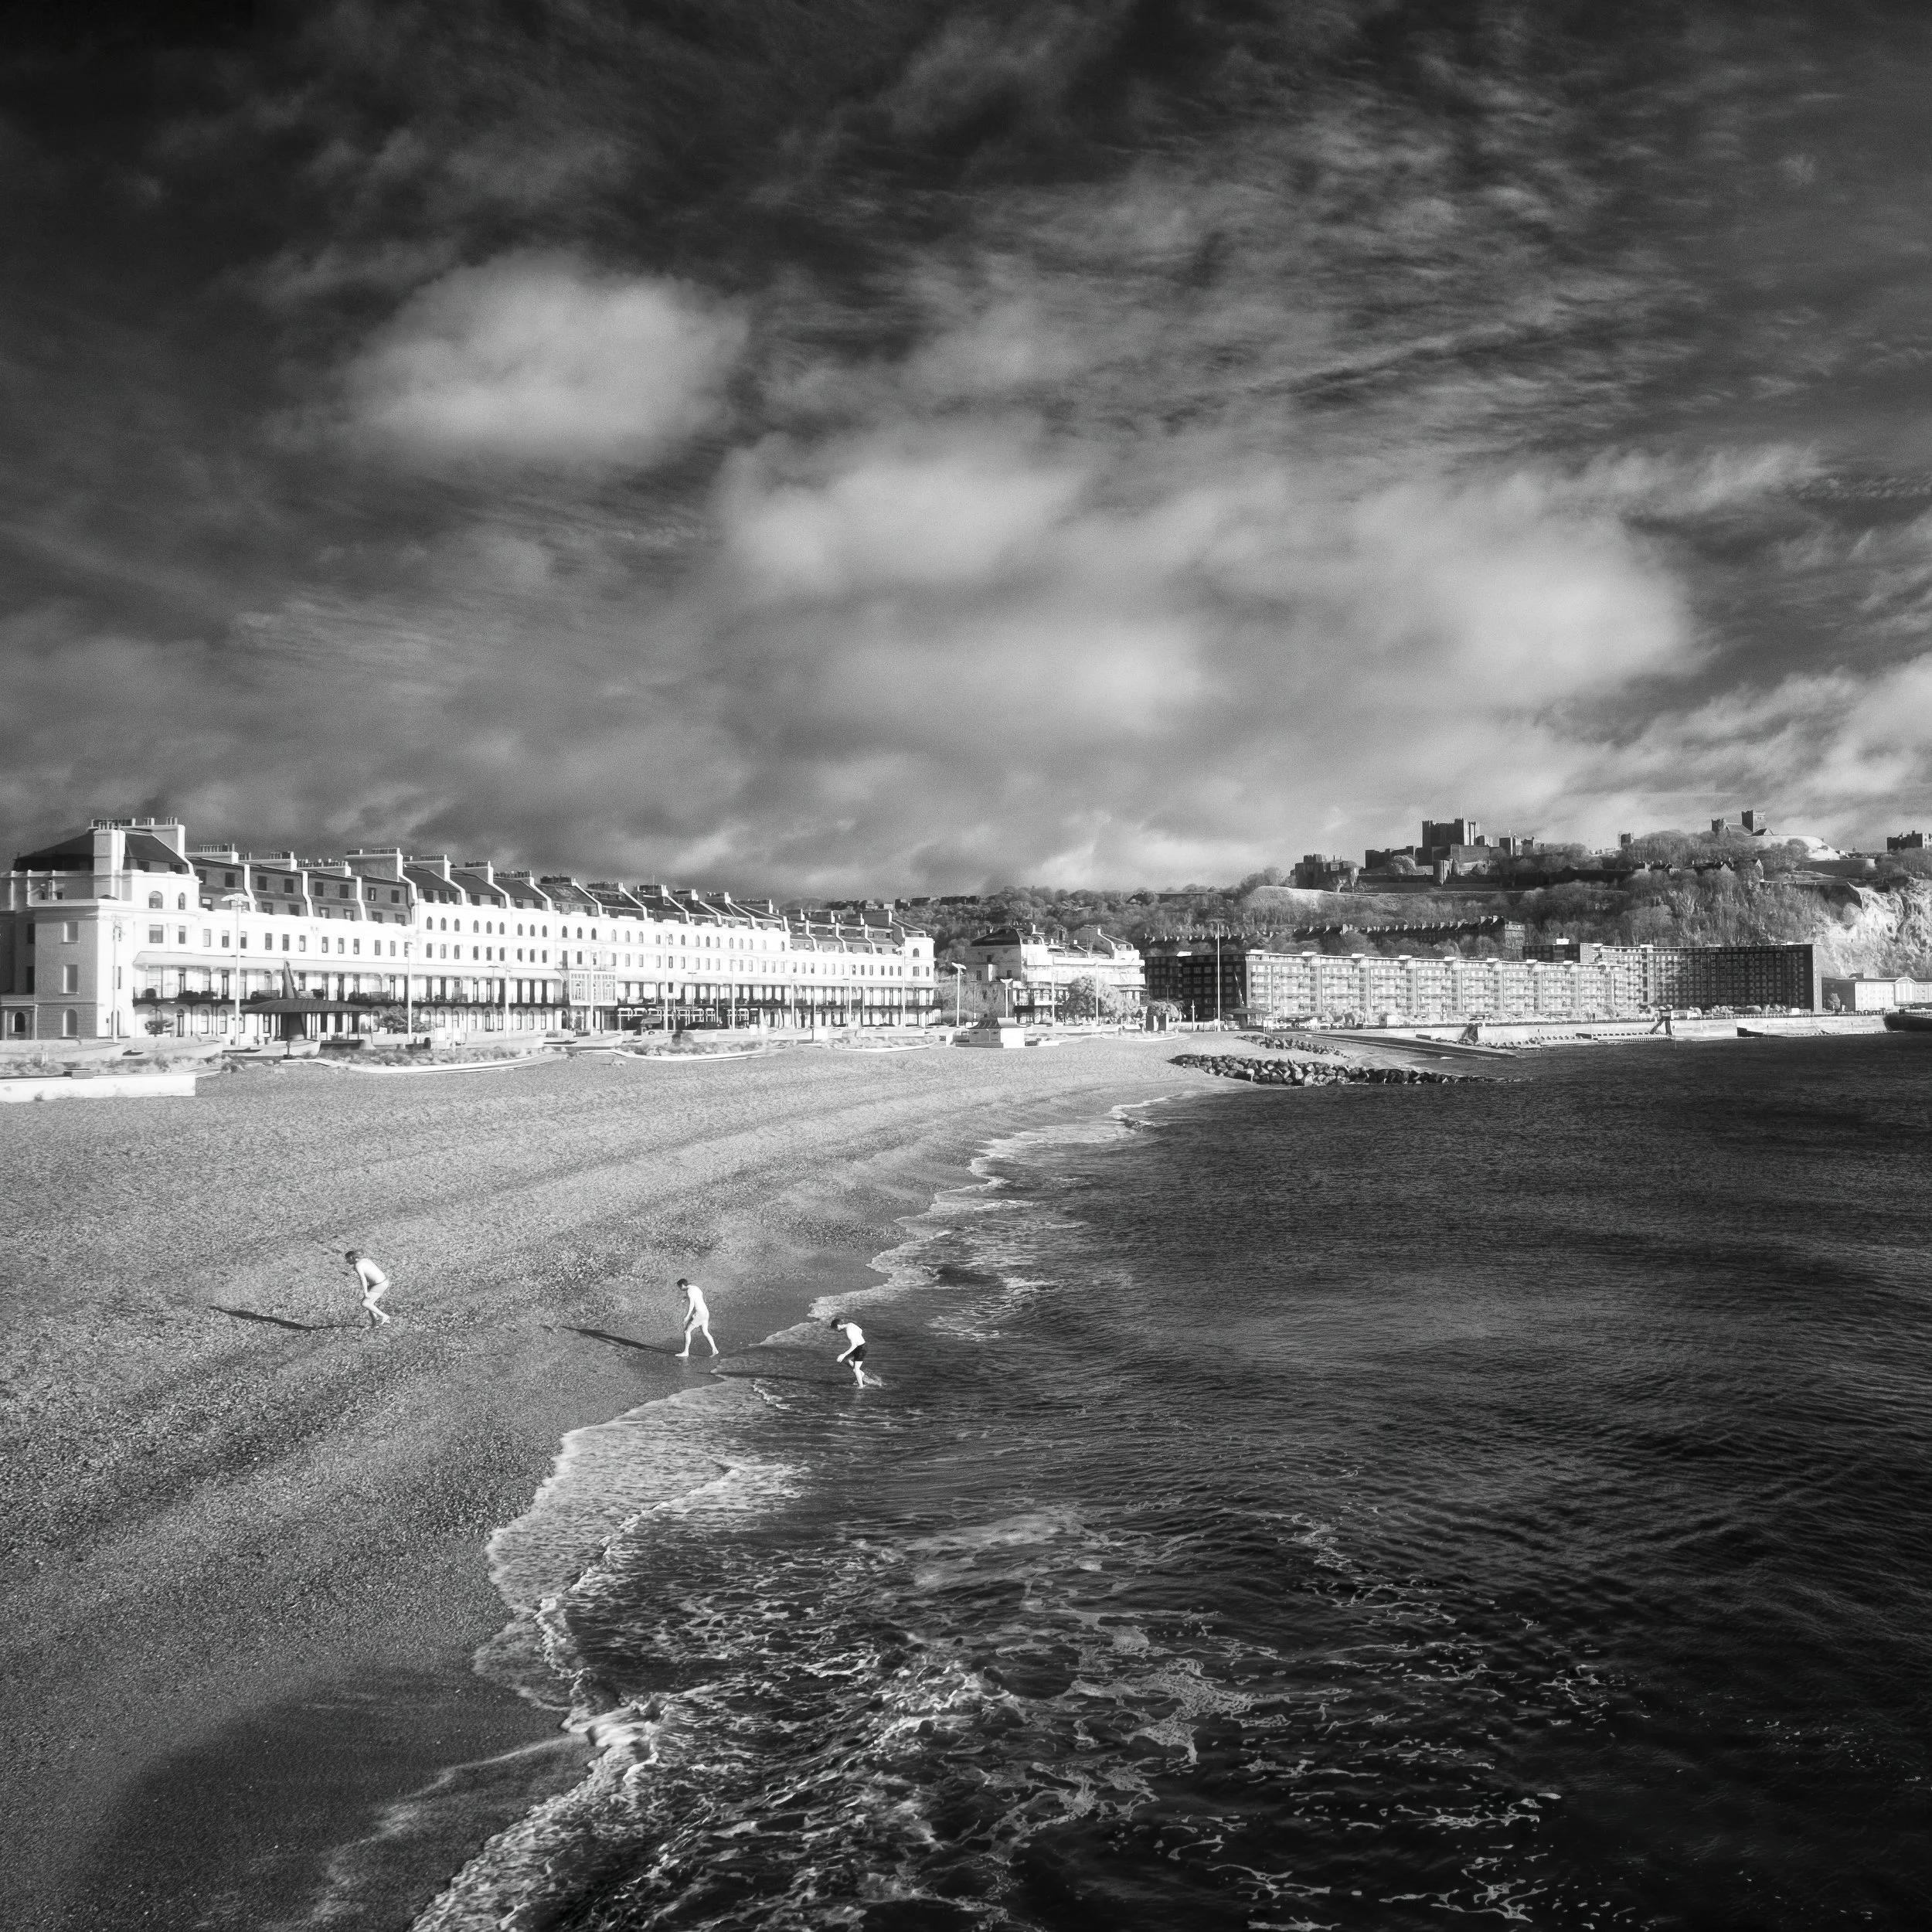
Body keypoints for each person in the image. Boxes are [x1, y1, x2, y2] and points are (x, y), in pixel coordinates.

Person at [345, 1250, 390, 1328]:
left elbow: (363, 1279)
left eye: (347, 1259)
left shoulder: (357, 1265)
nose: (347, 1261)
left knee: (365, 1303)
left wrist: (366, 1292)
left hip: (379, 1285)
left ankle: (384, 1317)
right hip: (384, 1281)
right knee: (370, 1304)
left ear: (352, 1257)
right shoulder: (366, 1260)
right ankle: (374, 1325)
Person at [677, 1277, 719, 1359]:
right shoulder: (696, 1288)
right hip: (706, 1312)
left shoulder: (689, 1292)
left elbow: (692, 1305)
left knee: (687, 1331)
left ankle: (686, 1352)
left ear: (682, 1285)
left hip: (699, 1314)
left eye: (679, 1287)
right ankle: (714, 1349)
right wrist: (687, 1298)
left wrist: (687, 1316)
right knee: (705, 1332)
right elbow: (699, 1297)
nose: (680, 1289)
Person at [829, 1314, 870, 1386]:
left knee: (856, 1369)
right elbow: (861, 1330)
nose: (836, 1331)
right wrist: (858, 1338)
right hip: (860, 1346)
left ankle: (861, 1386)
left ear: (838, 1326)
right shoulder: (851, 1324)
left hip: (861, 1348)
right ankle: (861, 1374)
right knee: (846, 1360)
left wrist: (843, 1355)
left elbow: (854, 1345)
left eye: (835, 1329)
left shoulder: (848, 1332)